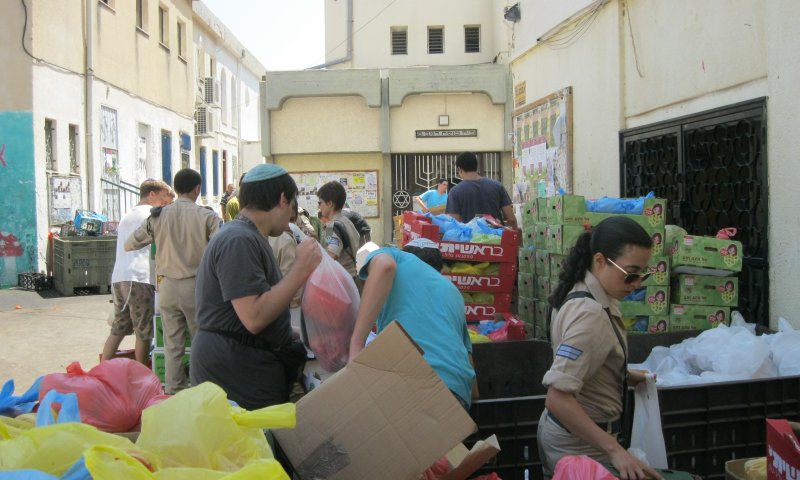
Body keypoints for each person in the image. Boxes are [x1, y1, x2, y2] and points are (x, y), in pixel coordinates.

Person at [538, 216, 662, 480]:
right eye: (631, 274)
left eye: (643, 274)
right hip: (581, 446)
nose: (637, 284)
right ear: (600, 260)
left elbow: (584, 361)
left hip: (577, 437)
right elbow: (558, 398)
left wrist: (622, 374)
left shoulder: (589, 290)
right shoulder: (590, 314)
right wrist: (615, 451)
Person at [191, 164, 321, 409]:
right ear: (282, 199)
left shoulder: (249, 236)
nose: (290, 218)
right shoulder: (238, 240)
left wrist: (299, 333)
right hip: (234, 372)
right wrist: (301, 269)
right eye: (292, 206)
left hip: (246, 366)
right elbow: (254, 317)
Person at [348, 238, 477, 410]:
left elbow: (385, 266)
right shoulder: (455, 294)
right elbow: (474, 390)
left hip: (409, 380)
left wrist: (356, 346)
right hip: (456, 395)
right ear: (441, 270)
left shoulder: (396, 256)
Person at [125, 168, 221, 394]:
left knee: (172, 344)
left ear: (175, 189)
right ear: (197, 189)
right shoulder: (207, 216)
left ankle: (173, 390)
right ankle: (202, 389)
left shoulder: (158, 216)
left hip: (167, 287)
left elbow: (130, 244)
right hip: (196, 287)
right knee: (201, 342)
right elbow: (222, 246)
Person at [102, 179, 172, 365]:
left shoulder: (128, 215)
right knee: (144, 331)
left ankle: (102, 369)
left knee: (119, 327)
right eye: (163, 197)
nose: (165, 202)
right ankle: (142, 372)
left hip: (119, 278)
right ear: (152, 194)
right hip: (139, 278)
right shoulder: (150, 214)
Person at [445, 152, 517, 228]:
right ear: (476, 166)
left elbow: (453, 223)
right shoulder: (497, 186)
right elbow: (511, 219)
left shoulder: (455, 191)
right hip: (496, 234)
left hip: (469, 235)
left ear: (460, 169)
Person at [317, 181, 360, 281]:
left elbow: (331, 254)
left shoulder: (331, 227)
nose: (319, 207)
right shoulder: (346, 221)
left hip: (341, 279)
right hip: (352, 276)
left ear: (330, 203)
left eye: (320, 203)